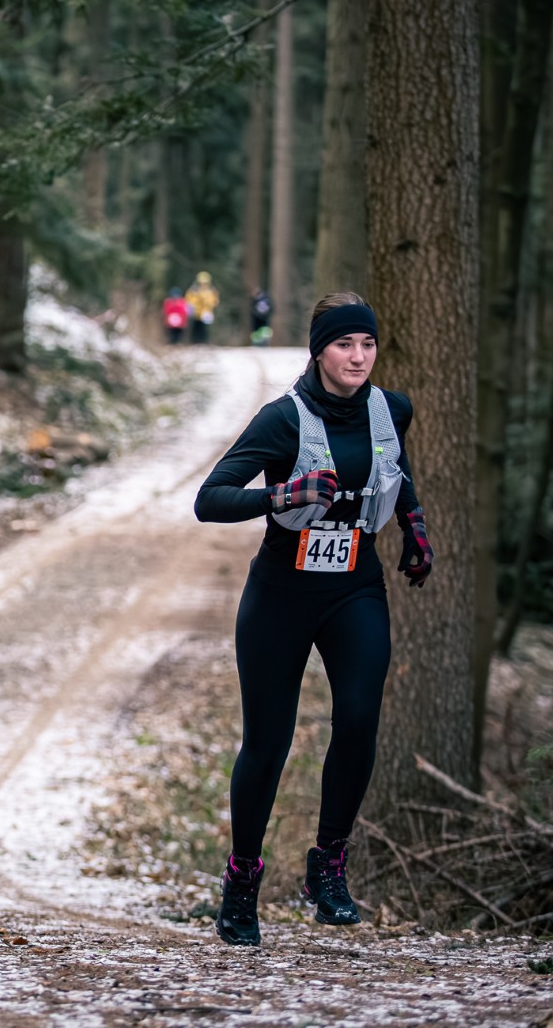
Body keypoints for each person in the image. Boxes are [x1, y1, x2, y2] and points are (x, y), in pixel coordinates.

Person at [193, 293, 434, 947]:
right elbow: (210, 500)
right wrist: (283, 494)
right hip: (282, 594)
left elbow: (396, 470)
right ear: (319, 351)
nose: (358, 357)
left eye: (367, 344)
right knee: (268, 743)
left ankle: (328, 867)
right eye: (343, 345)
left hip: (355, 586)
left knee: (358, 717)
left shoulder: (393, 410)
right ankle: (243, 879)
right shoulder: (283, 420)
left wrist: (414, 528)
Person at [187, 271, 219, 345]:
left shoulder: (211, 291)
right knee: (195, 328)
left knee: (205, 329)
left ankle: (204, 342)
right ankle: (194, 342)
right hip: (196, 313)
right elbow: (189, 301)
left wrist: (208, 304)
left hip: (206, 314)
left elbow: (214, 302)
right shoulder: (193, 290)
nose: (203, 285)